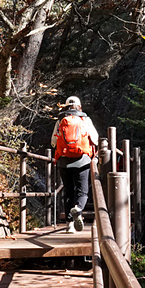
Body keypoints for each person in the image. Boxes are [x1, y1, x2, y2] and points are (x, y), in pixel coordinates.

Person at [51, 96, 99, 233]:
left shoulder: (60, 120)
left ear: (65, 107)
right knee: (82, 190)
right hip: (82, 160)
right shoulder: (85, 120)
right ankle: (78, 209)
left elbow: (53, 142)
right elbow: (95, 138)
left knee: (68, 191)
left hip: (64, 161)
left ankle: (69, 225)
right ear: (80, 107)